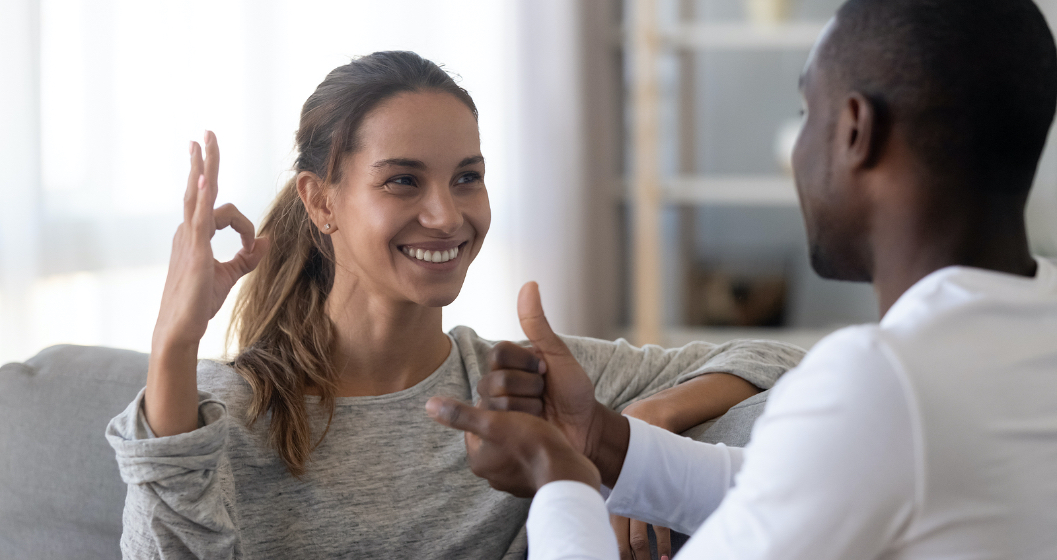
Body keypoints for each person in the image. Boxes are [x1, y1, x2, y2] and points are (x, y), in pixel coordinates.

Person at [104, 51, 804, 559]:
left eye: (466, 178)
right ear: (321, 202)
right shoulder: (231, 408)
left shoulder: (516, 383)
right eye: (403, 182)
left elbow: (774, 358)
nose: (446, 215)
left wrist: (623, 433)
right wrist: (174, 346)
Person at [426, 0, 1057, 558]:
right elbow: (794, 484)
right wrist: (601, 438)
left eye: (807, 110)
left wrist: (558, 477)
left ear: (857, 131)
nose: (797, 151)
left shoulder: (883, 379)